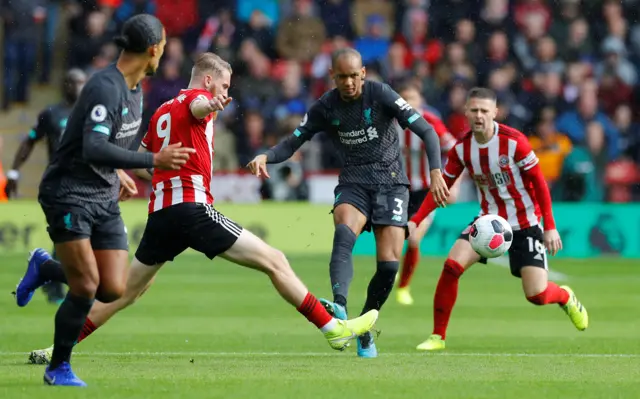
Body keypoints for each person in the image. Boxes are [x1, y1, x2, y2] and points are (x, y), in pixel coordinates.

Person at [23, 52, 379, 369]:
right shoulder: (197, 100)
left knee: (125, 293)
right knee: (275, 260)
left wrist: (133, 176)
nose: (225, 91)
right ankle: (333, 329)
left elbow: (147, 161)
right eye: (223, 85)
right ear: (208, 80)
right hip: (191, 209)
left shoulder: (162, 109)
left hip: (161, 215)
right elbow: (199, 107)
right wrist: (212, 105)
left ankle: (57, 342)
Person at [12, 14, 194, 387]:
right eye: (163, 44)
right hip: (69, 194)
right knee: (84, 287)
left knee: (112, 287)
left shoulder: (135, 89)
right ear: (153, 49)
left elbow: (108, 145)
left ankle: (45, 268)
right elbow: (95, 146)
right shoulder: (105, 87)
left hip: (103, 194)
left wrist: (120, 172)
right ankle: (57, 367)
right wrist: (151, 160)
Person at [247, 48, 449, 358]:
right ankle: (339, 305)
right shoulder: (325, 106)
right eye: (342, 77)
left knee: (389, 265)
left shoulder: (381, 93)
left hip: (392, 182)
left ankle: (364, 328)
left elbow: (427, 131)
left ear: (363, 73)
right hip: (354, 182)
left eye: (354, 76)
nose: (349, 82)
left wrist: (436, 172)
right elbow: (294, 141)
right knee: (344, 230)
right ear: (333, 76)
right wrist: (267, 155)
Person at [408, 87, 589, 352]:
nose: (479, 115)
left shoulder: (514, 142)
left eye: (484, 110)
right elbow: (441, 187)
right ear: (466, 112)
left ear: (495, 112)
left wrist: (549, 226)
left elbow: (539, 184)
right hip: (487, 222)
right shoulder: (462, 149)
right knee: (451, 267)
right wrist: (416, 220)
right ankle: (438, 336)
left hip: (526, 223)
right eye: (474, 110)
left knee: (536, 295)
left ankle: (565, 296)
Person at [6, 68, 87, 305]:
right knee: (68, 233)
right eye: (74, 82)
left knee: (75, 235)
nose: (78, 87)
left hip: (85, 184)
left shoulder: (91, 113)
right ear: (65, 85)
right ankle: (54, 287)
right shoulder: (52, 113)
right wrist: (13, 171)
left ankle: (51, 275)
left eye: (82, 82)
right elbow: (30, 141)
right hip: (60, 183)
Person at [393, 81, 461, 306]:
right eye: (404, 98)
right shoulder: (388, 122)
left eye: (413, 98)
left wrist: (454, 184)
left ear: (420, 101)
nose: (408, 103)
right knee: (391, 240)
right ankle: (388, 274)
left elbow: (456, 152)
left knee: (413, 238)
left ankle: (403, 287)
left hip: (424, 191)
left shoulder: (430, 122)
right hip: (395, 189)